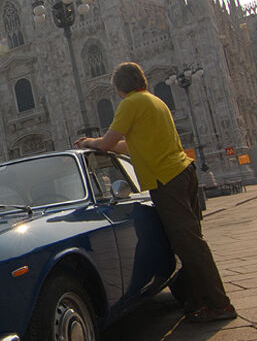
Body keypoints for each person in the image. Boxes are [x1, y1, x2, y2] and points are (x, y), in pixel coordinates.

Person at [73, 62, 236, 323]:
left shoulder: (131, 104)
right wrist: (111, 147)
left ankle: (219, 304)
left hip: (166, 179)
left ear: (118, 88)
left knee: (190, 246)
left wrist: (89, 143)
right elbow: (129, 146)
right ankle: (199, 302)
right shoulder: (154, 101)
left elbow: (106, 143)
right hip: (184, 172)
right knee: (190, 243)